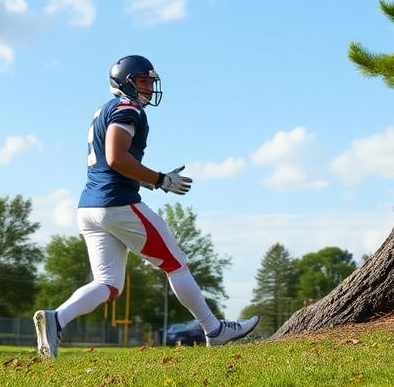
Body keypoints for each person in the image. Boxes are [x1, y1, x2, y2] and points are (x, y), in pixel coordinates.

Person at [33, 54, 258, 357]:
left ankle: (56, 319)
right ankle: (214, 330)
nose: (149, 88)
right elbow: (116, 158)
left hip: (88, 207)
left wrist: (153, 181)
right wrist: (161, 179)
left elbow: (109, 165)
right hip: (117, 204)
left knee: (108, 284)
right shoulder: (127, 109)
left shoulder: (105, 109)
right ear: (125, 83)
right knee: (175, 264)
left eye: (150, 81)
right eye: (142, 81)